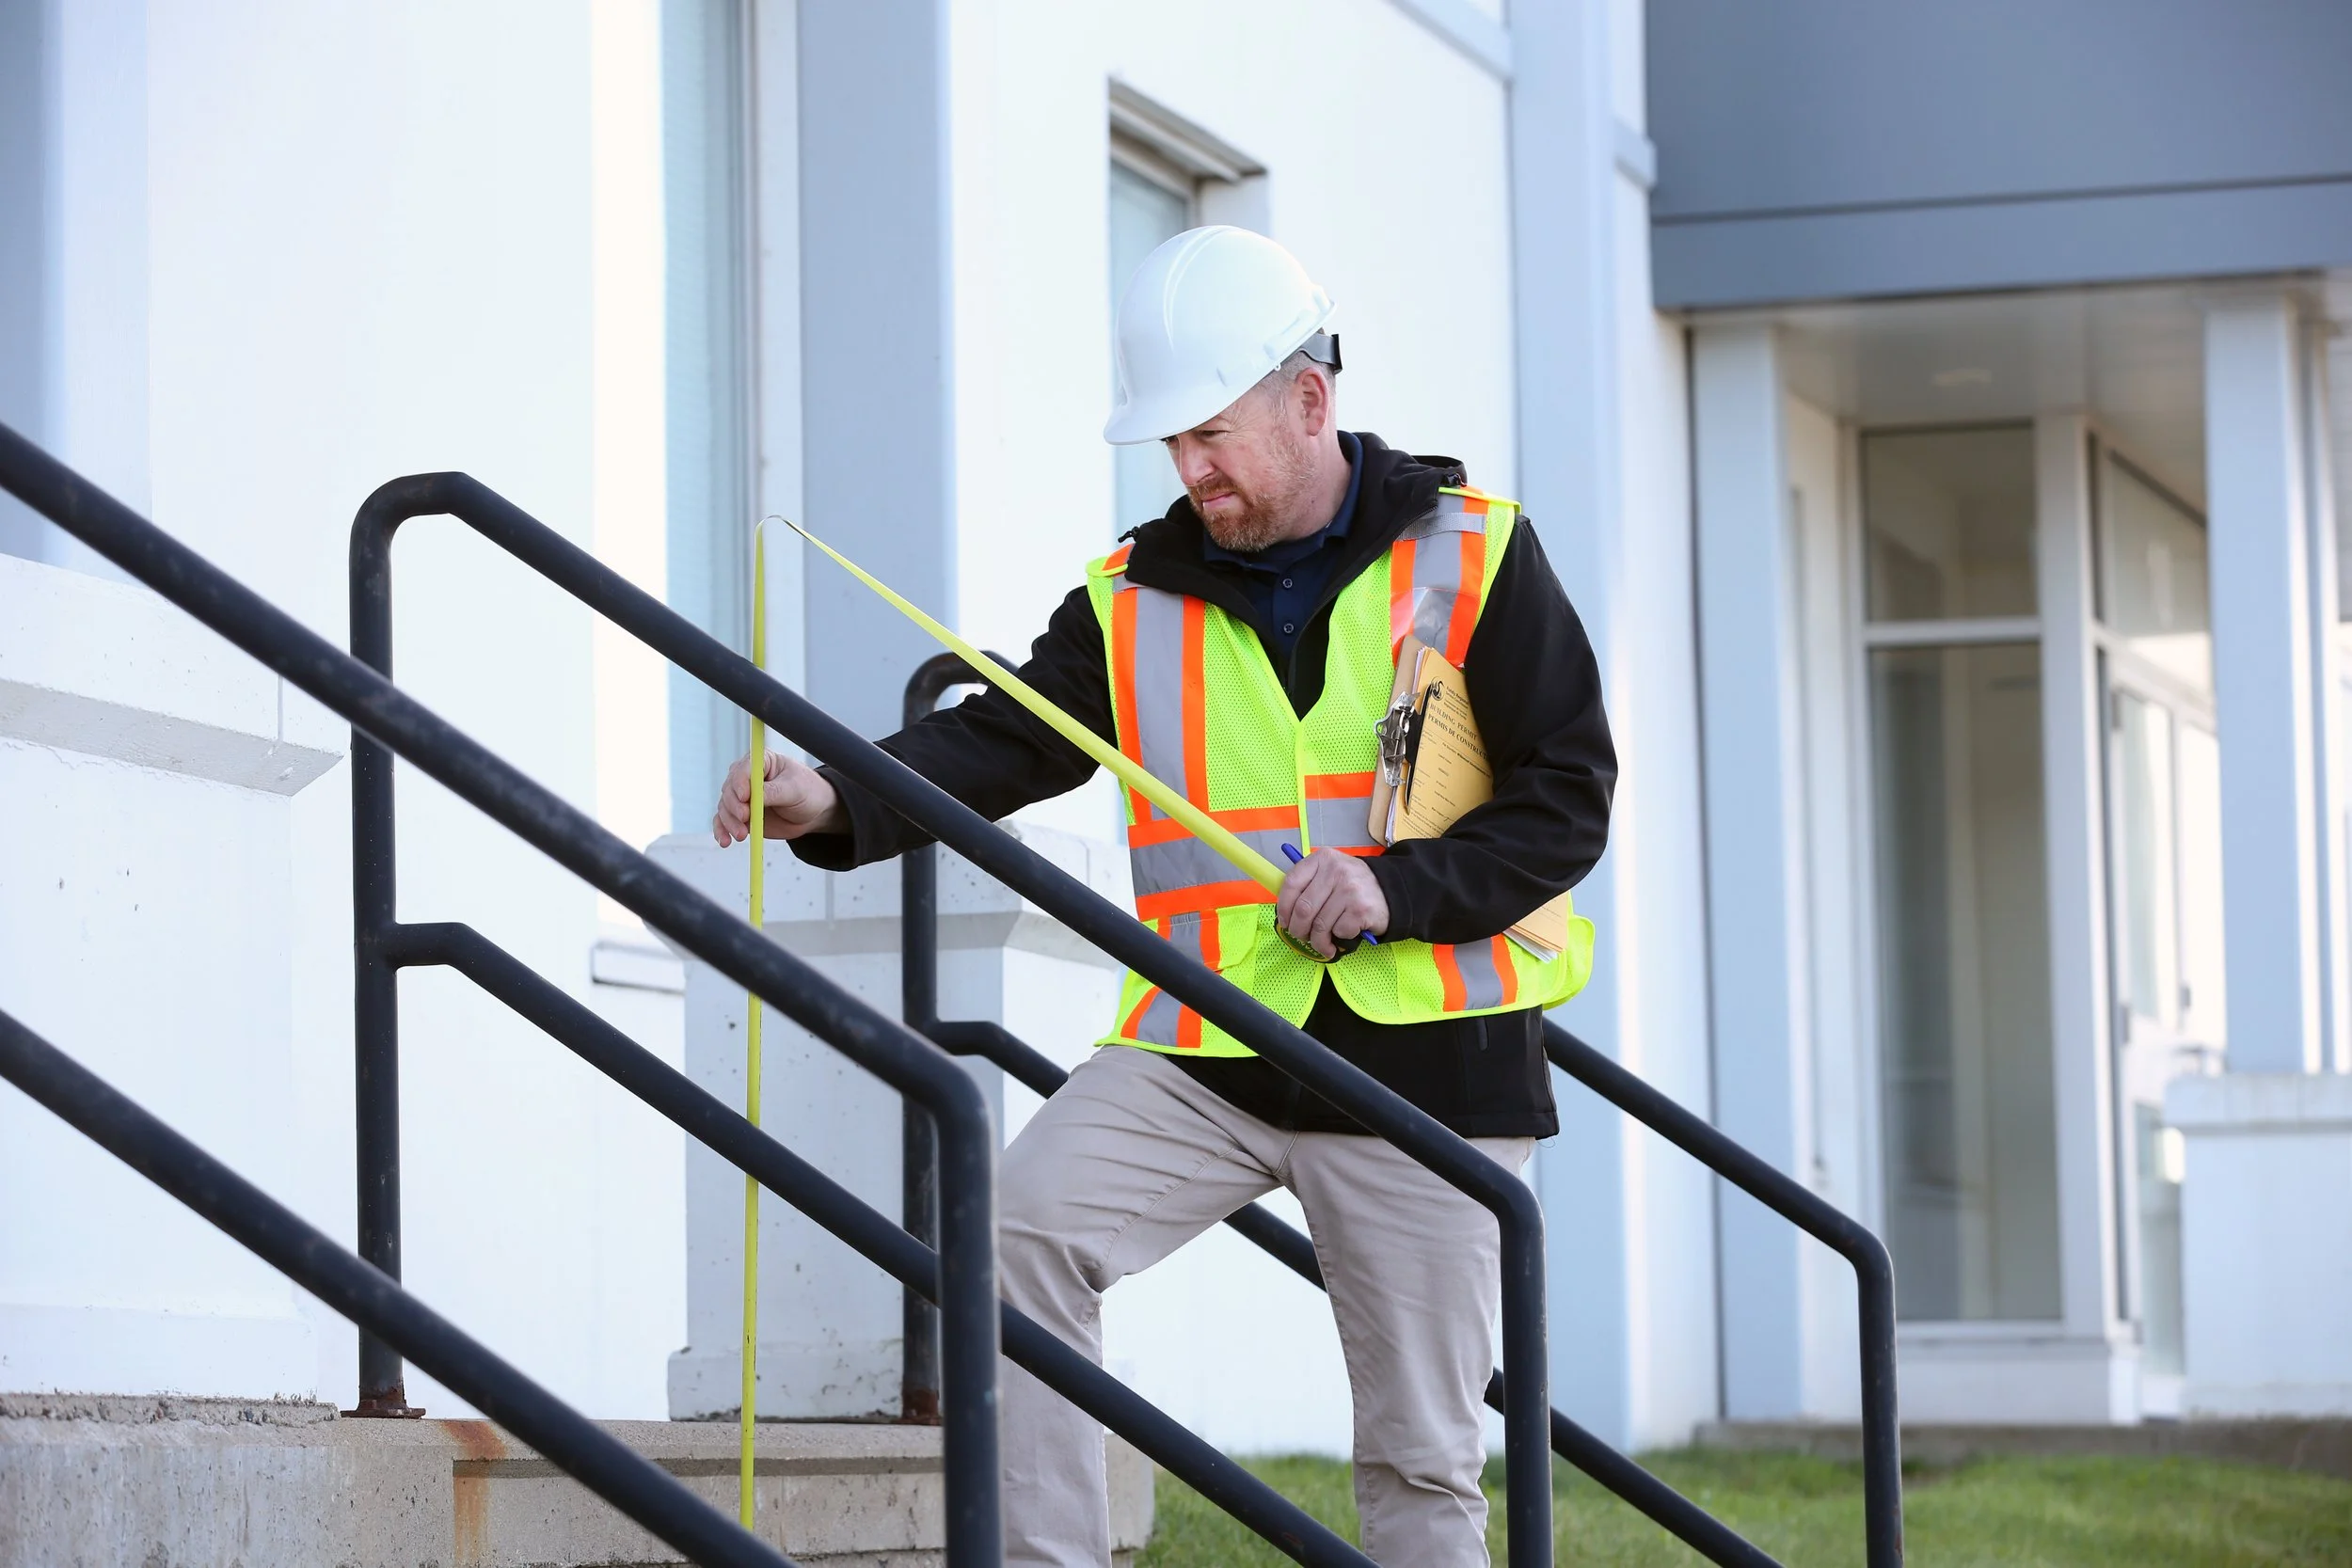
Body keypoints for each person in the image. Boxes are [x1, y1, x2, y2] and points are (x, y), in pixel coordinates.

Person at [714, 226, 1613, 1568]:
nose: (1191, 472)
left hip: (1434, 1074)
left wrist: (1393, 888)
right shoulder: (1133, 594)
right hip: (1211, 1044)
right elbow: (996, 741)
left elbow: (1567, 795)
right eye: (1172, 446)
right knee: (1011, 1228)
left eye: (1210, 436)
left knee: (1423, 1453)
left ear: (1310, 404)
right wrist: (833, 796)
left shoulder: (1477, 557)